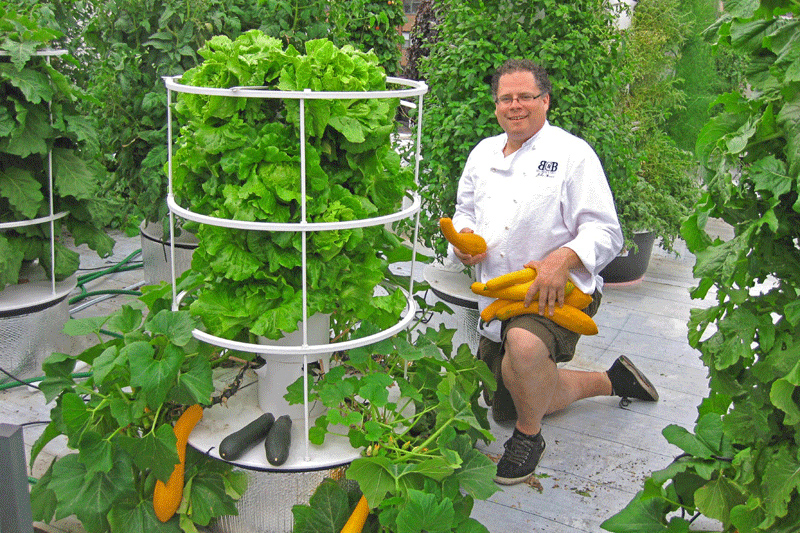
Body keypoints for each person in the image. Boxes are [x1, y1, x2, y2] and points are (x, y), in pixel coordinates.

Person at [448, 58, 659, 486]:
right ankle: (612, 380)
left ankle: (529, 438)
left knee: (524, 352)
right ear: (495, 106)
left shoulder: (572, 155)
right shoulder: (482, 154)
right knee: (514, 396)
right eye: (506, 98)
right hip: (497, 294)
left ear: (545, 101)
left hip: (557, 292)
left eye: (526, 96)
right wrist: (464, 240)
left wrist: (561, 259)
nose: (515, 105)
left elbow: (606, 231)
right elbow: (464, 211)